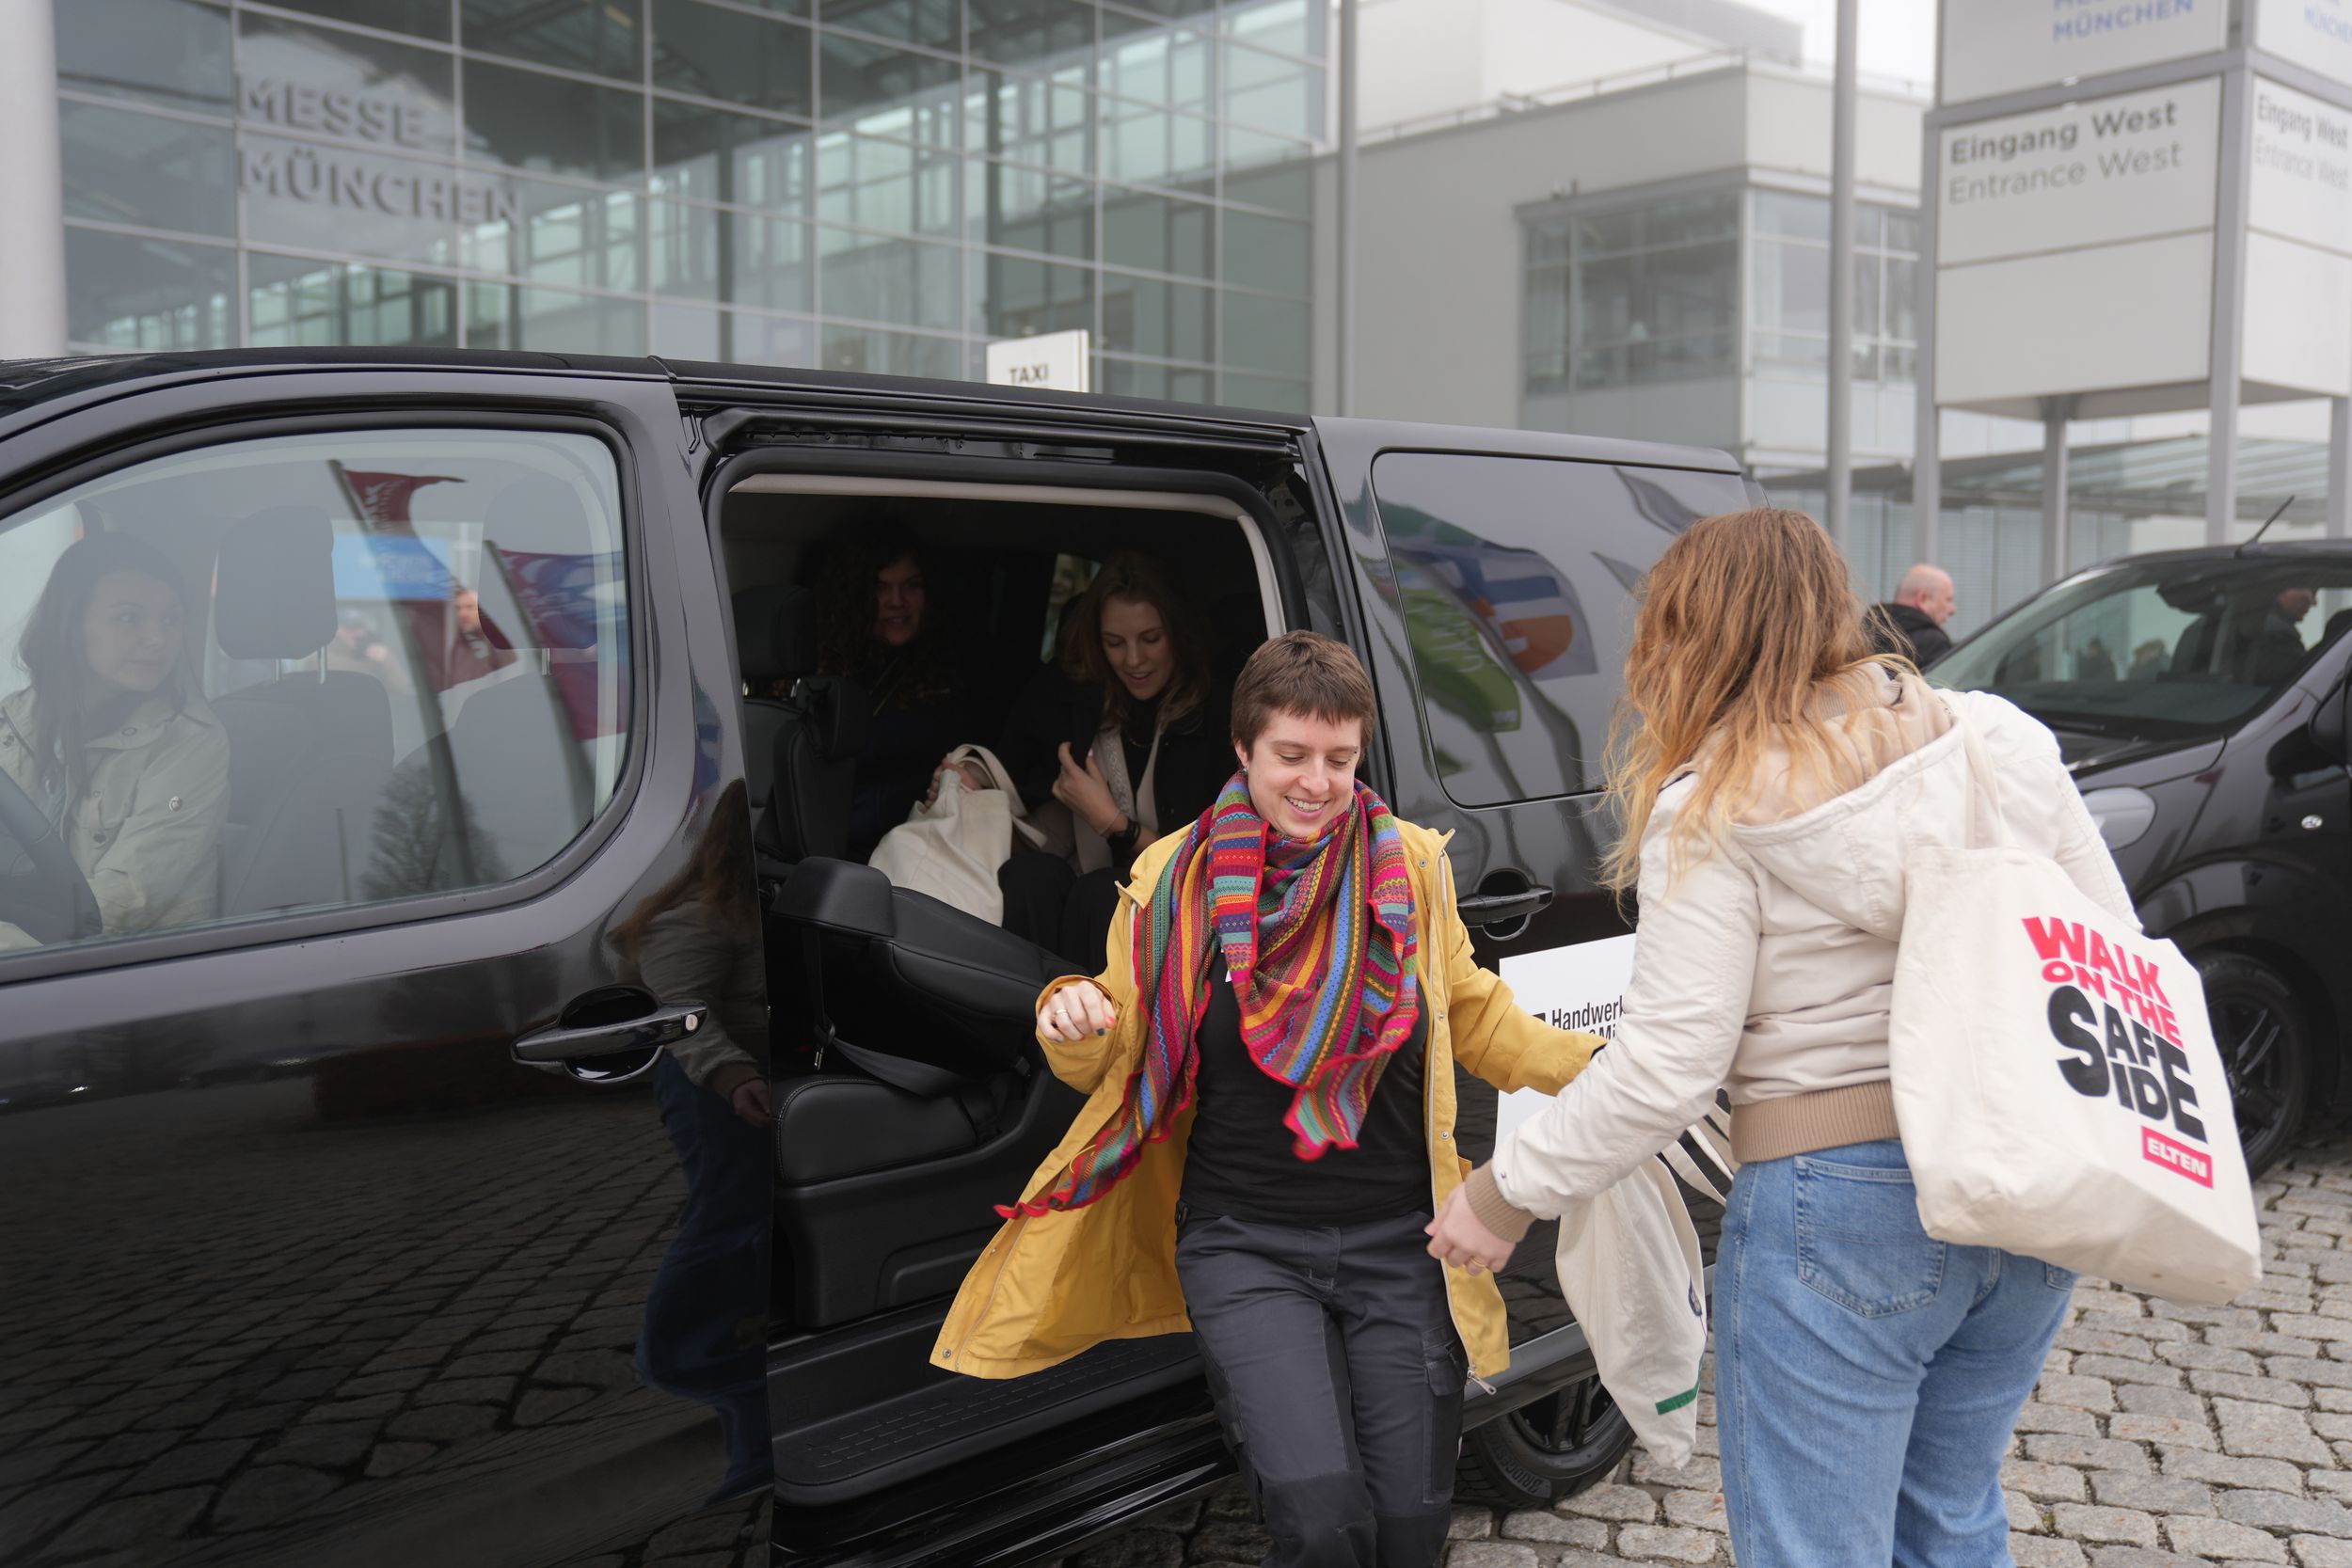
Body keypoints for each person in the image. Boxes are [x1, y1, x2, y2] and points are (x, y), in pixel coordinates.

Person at [1423, 508, 2136, 1568]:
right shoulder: (1997, 739)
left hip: (1839, 1196)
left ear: (1692, 634)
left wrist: (1499, 1191)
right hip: (2025, 1175)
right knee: (1950, 1518)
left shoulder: (1712, 804)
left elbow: (1667, 1067)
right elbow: (2110, 952)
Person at [930, 632, 1608, 1568]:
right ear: (1245, 749)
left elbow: (1476, 1016)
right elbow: (1116, 1040)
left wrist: (1620, 1072)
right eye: (1291, 754)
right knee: (1321, 1519)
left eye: (1339, 758)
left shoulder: (1407, 862)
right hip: (1243, 1243)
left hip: (1402, 1239)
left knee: (1410, 1527)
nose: (1316, 781)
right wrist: (1068, 1014)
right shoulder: (1174, 875)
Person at [610, 777, 771, 1503]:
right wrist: (733, 1072)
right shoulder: (700, 916)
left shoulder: (747, 906)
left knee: (747, 1222)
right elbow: (683, 1015)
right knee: (726, 1220)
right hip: (709, 1087)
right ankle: (678, 1358)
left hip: (743, 1083)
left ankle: (748, 1410)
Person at [989, 553, 1232, 964]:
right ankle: (1024, 1014)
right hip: (1076, 868)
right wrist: (975, 773)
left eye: (1151, 639)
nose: (1133, 660)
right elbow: (1012, 761)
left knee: (1104, 892)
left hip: (1175, 894)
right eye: (1114, 643)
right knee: (1029, 877)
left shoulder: (1212, 717)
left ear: (1178, 633)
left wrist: (1115, 826)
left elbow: (1203, 867)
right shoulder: (1074, 694)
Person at [0, 532, 230, 951]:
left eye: (171, 619)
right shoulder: (13, 719)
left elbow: (125, 900)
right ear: (71, 624)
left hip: (135, 975)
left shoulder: (192, 741)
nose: (157, 638)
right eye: (129, 618)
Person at [817, 532, 963, 863]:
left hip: (921, 854)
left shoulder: (952, 675)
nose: (896, 601)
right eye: (880, 588)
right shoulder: (828, 674)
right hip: (837, 853)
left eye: (911, 585)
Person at [1866, 562, 1958, 667]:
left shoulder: (1861, 634)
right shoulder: (1932, 642)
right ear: (1923, 599)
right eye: (1948, 600)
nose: (1953, 610)